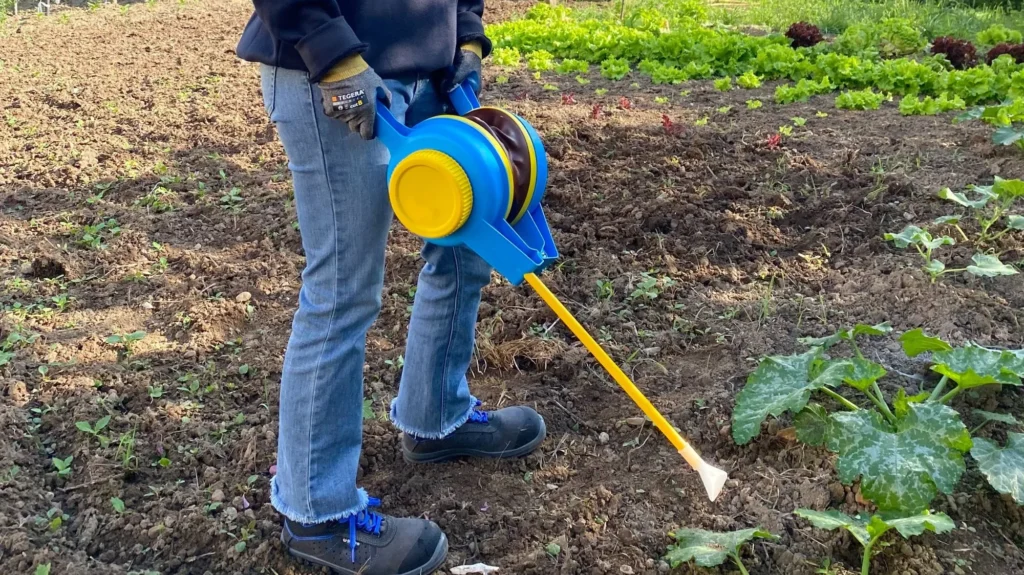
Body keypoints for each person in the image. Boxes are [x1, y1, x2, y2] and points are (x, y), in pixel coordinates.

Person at [235, 2, 547, 574]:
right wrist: (331, 54)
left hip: (434, 67)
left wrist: (467, 32)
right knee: (342, 291)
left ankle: (436, 417)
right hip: (338, 74)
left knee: (466, 248)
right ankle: (315, 511)